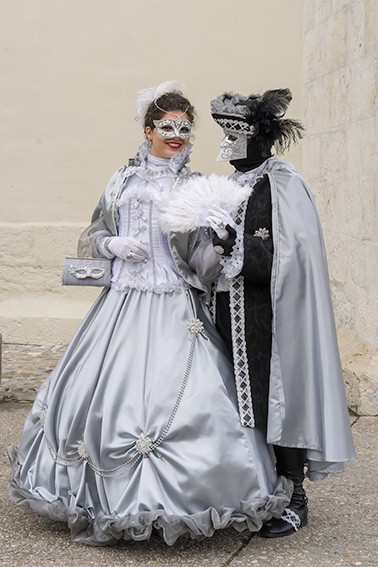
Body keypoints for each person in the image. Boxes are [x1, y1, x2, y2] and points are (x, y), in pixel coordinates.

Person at [8, 82, 292, 546]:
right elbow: (95, 230)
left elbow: (203, 262)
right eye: (167, 127)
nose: (176, 134)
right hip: (123, 299)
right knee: (100, 391)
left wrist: (220, 240)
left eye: (184, 127)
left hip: (176, 302)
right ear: (148, 130)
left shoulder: (194, 186)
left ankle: (201, 490)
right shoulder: (122, 181)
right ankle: (98, 495)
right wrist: (111, 245)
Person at [205, 88, 357, 537]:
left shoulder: (283, 182)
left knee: (276, 401)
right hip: (222, 308)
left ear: (256, 139)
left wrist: (235, 249)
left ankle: (294, 496)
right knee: (234, 402)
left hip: (270, 315)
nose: (226, 146)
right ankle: (253, 488)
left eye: (233, 137)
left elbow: (294, 253)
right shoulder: (228, 185)